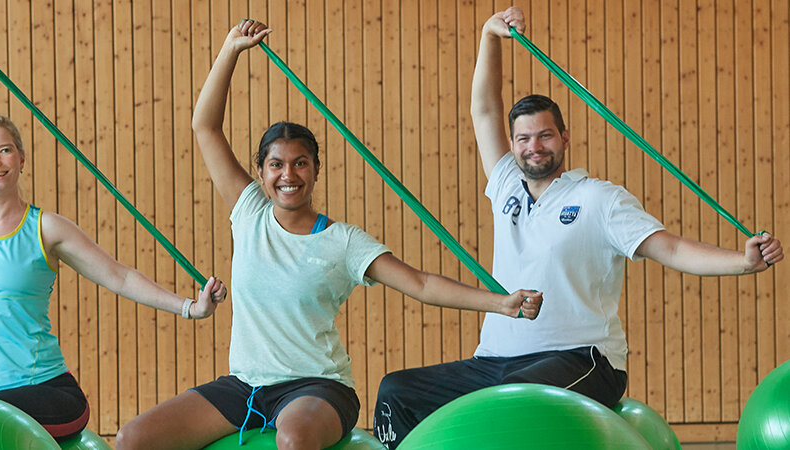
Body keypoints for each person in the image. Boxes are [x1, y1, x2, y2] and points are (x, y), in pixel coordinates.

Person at [115, 19, 543, 450]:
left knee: (294, 439)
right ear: (261, 173)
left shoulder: (344, 241)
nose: (288, 174)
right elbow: (204, 127)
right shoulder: (249, 213)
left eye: (300, 163)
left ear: (316, 170)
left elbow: (421, 283)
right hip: (246, 385)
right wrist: (230, 50)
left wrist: (501, 303)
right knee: (132, 439)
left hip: (318, 389)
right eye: (277, 164)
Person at [372, 6, 785, 449]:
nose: (534, 147)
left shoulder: (598, 198)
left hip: (582, 358)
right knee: (396, 391)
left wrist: (741, 262)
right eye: (524, 139)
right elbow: (485, 110)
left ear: (564, 139)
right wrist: (489, 38)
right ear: (513, 146)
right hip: (496, 361)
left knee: (511, 407)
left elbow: (672, 248)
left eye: (545, 136)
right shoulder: (506, 182)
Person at [0, 32, 227, 442]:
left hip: (44, 393)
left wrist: (191, 307)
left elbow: (118, 276)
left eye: (5, 150)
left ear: (22, 159)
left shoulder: (45, 227)